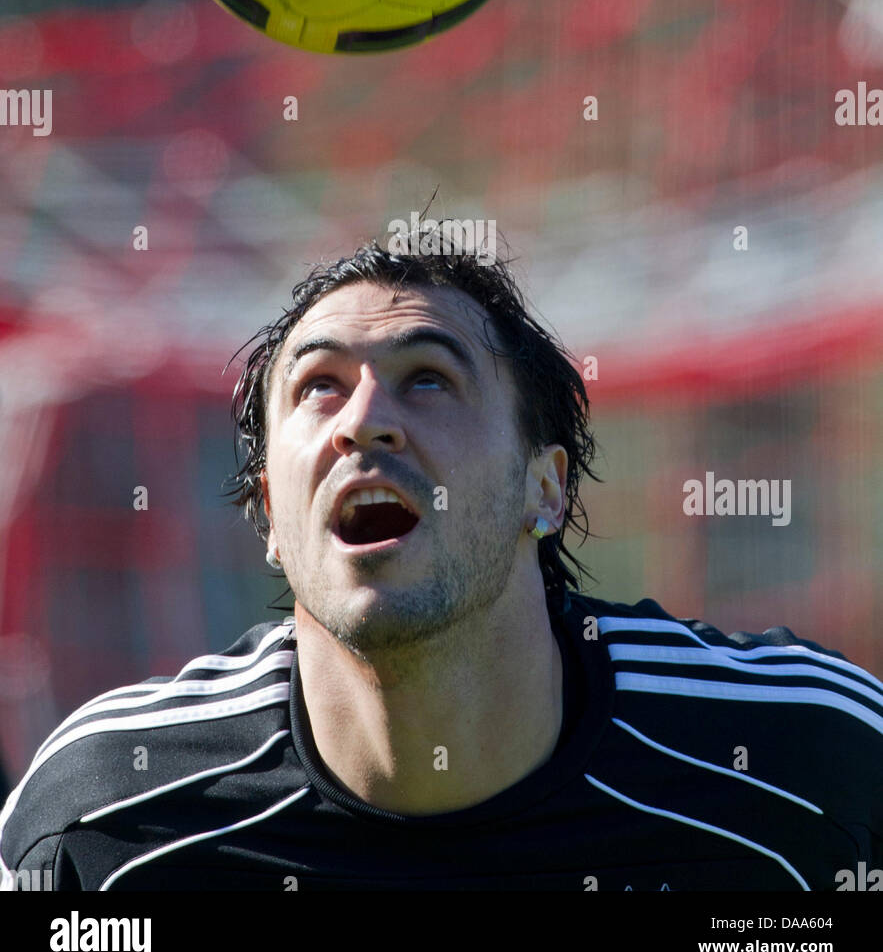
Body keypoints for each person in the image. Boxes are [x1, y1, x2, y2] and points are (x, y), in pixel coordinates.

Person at [1, 238, 881, 891]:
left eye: (427, 377)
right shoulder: (103, 818)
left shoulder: (806, 767)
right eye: (319, 386)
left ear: (545, 489)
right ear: (270, 513)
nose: (363, 422)